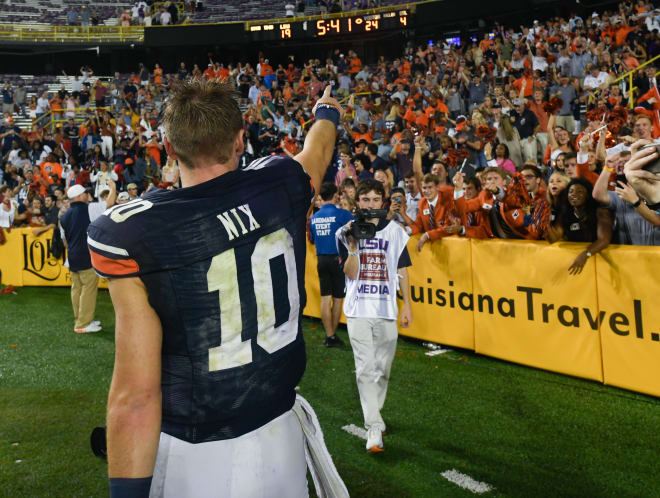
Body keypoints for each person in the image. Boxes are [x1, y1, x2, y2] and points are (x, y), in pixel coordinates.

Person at [87, 81, 347, 497]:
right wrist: (327, 113)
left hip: (195, 453)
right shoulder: (278, 184)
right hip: (279, 434)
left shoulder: (136, 231)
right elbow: (316, 153)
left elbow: (136, 396)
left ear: (168, 149)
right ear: (241, 139)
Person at [336, 178, 413, 453]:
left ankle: (375, 415)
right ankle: (373, 429)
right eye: (365, 199)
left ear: (383, 202)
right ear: (357, 203)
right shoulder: (346, 231)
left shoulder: (395, 232)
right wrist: (354, 246)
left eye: (375, 199)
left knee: (382, 369)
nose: (370, 204)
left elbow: (402, 269)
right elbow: (351, 273)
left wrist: (408, 305)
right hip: (358, 309)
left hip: (386, 308)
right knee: (365, 368)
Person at [309, 183, 354, 347]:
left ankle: (329, 336)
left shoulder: (314, 217)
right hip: (338, 260)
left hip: (321, 260)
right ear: (335, 195)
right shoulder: (343, 214)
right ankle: (332, 335)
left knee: (325, 298)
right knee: (337, 299)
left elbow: (312, 239)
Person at [60, 184, 104, 333]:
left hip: (72, 255)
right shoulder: (89, 209)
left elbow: (64, 240)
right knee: (88, 289)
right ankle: (83, 324)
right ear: (79, 196)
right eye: (85, 193)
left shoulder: (64, 216)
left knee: (76, 289)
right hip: (86, 255)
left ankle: (80, 319)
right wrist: (111, 187)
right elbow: (109, 204)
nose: (87, 195)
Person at [548, 178, 613, 274]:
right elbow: (554, 239)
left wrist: (585, 254)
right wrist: (545, 225)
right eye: (571, 191)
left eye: (580, 191)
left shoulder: (600, 212)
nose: (574, 194)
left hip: (599, 262)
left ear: (588, 195)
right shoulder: (565, 214)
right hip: (576, 263)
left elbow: (604, 240)